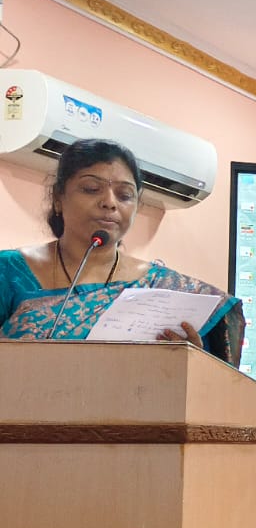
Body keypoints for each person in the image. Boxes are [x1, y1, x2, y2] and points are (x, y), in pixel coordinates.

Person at [0, 139, 243, 364]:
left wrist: (194, 360)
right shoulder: (8, 272)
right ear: (58, 199)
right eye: (91, 189)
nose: (109, 202)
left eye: (125, 195)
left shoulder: (163, 289)